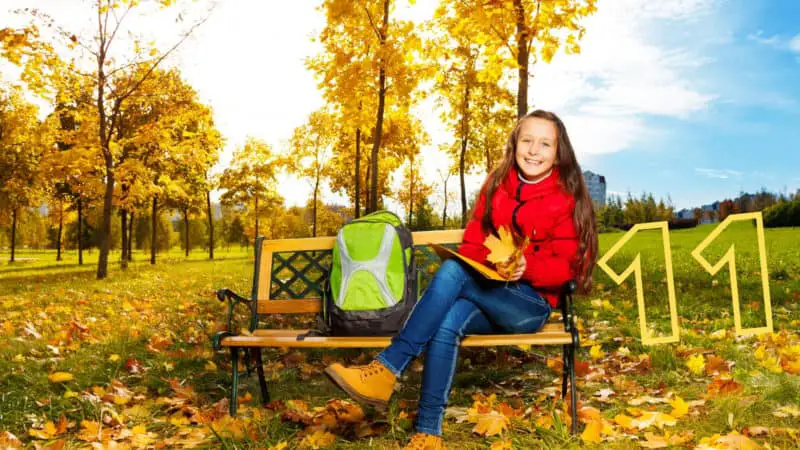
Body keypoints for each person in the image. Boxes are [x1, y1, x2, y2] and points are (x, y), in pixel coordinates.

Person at [324, 110, 598, 450]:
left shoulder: (566, 196)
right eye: (526, 140)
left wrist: (526, 267)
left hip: (529, 306)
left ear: (558, 153)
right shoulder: (497, 183)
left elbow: (571, 267)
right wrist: (495, 263)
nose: (533, 150)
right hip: (489, 290)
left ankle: (387, 369)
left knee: (453, 271)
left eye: (545, 144)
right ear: (514, 145)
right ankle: (428, 432)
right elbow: (472, 244)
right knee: (447, 320)